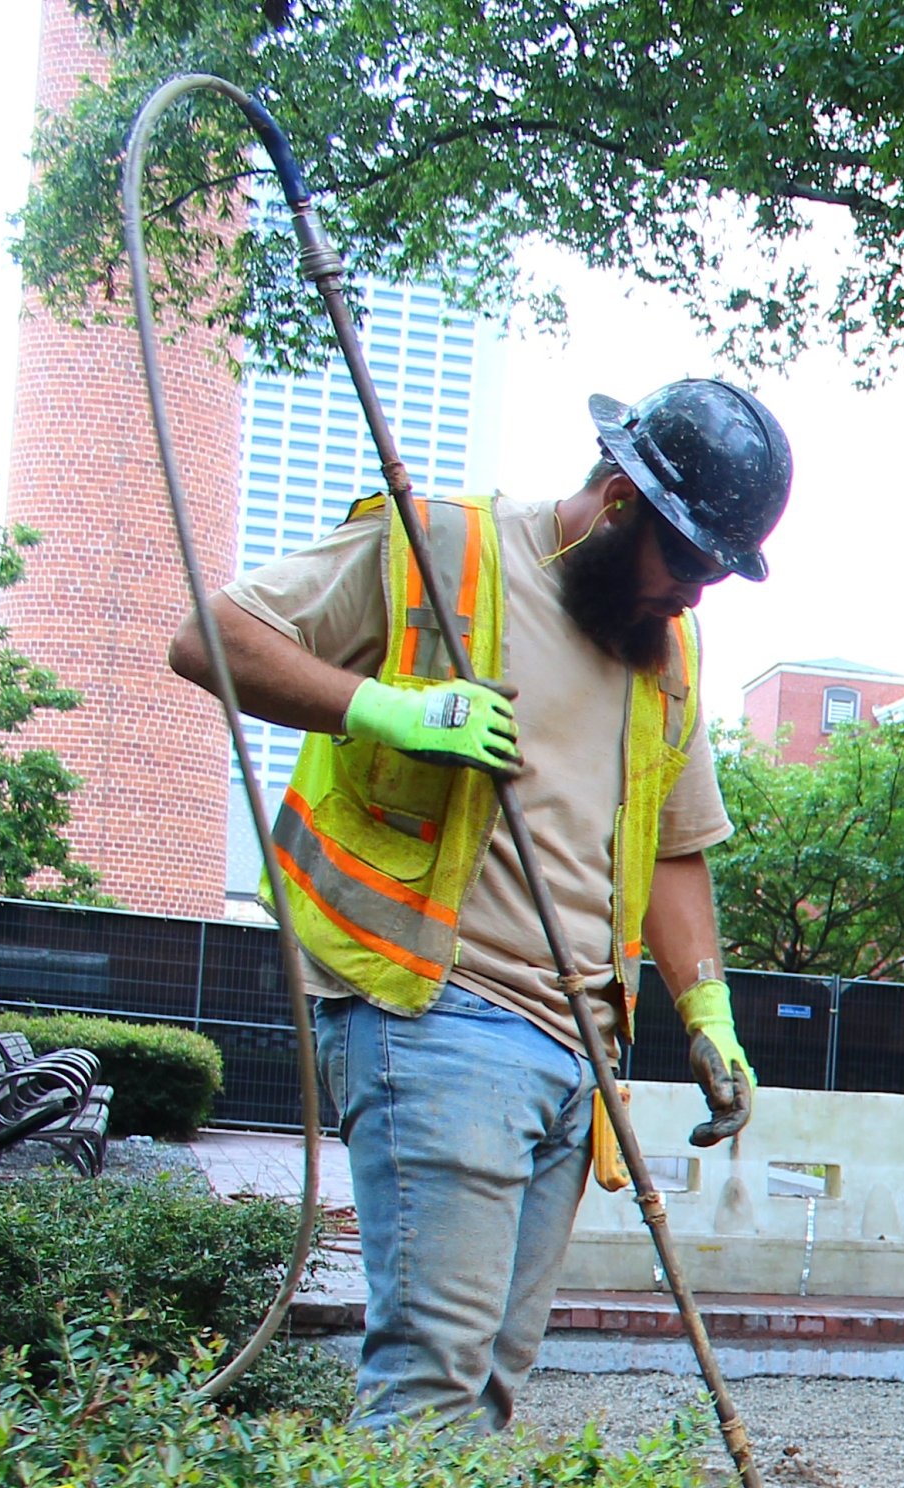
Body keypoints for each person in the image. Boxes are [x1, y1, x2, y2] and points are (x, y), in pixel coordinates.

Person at [171, 379, 788, 1433]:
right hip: (437, 1011)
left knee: (491, 1383)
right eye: (684, 558)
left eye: (714, 572)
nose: (693, 595)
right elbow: (210, 637)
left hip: (580, 1051)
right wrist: (388, 709)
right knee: (433, 1381)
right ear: (617, 498)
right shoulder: (443, 550)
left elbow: (676, 848)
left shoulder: (665, 651)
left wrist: (707, 1011)